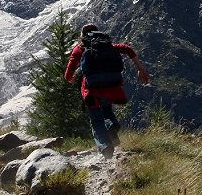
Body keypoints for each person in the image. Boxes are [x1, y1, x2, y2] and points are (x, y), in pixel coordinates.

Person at [64, 24, 150, 158]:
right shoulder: (108, 46)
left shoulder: (80, 49)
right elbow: (128, 49)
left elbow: (68, 75)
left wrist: (72, 78)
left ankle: (105, 147)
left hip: (90, 90)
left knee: (96, 120)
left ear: (83, 36)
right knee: (107, 112)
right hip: (110, 87)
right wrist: (141, 69)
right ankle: (112, 128)